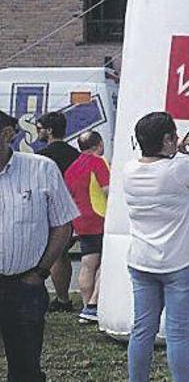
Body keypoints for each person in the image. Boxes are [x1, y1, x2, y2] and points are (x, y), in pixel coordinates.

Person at [121, 112, 189, 382]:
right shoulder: (180, 169)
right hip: (181, 261)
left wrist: (176, 149)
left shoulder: (129, 169)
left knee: (142, 329)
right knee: (178, 333)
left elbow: (161, 164)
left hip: (142, 261)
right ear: (167, 140)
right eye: (174, 136)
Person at [0, 109, 78, 382]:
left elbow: (62, 224)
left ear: (7, 134)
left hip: (25, 286)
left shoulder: (41, 169)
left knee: (26, 369)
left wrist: (41, 272)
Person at [64, 131, 111, 323]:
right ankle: (93, 305)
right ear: (99, 144)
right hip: (100, 218)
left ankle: (87, 307)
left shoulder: (72, 168)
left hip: (81, 221)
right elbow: (108, 190)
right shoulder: (99, 162)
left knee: (87, 264)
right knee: (107, 262)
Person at [35, 112, 79, 313]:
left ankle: (61, 299)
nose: (38, 131)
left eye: (39, 127)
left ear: (49, 130)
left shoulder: (42, 158)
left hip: (52, 210)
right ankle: (64, 298)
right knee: (65, 255)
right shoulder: (76, 154)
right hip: (76, 209)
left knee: (55, 255)